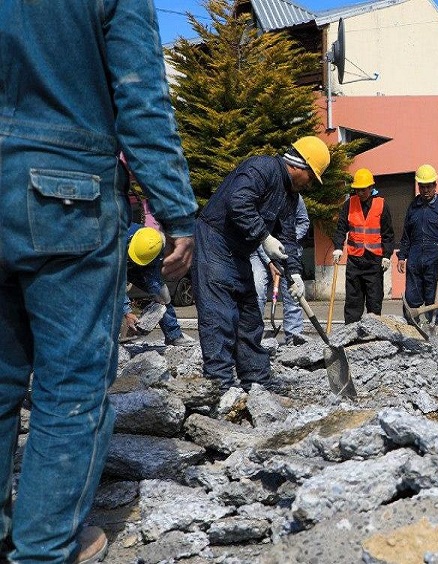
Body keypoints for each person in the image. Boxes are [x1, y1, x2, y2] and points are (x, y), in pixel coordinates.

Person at [0, 1, 197, 561]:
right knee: (71, 384)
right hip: (65, 194)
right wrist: (177, 212)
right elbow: (141, 97)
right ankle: (41, 549)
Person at [193, 136, 328, 391]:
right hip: (216, 242)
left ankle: (256, 380)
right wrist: (264, 236)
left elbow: (287, 237)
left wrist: (296, 274)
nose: (310, 184)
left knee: (249, 317)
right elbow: (238, 202)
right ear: (300, 166)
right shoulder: (262, 168)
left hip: (239, 251)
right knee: (219, 315)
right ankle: (218, 386)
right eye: (311, 177)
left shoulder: (289, 197)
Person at [332, 168, 395, 323]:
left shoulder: (381, 205)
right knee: (353, 301)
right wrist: (338, 247)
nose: (360, 193)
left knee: (374, 301)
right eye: (357, 190)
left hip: (374, 262)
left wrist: (387, 255)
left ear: (371, 187)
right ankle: (351, 334)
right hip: (355, 261)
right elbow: (341, 228)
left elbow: (388, 234)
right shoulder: (349, 204)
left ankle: (373, 335)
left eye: (363, 189)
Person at [397, 164, 438, 331]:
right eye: (422, 186)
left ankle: (435, 327)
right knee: (411, 296)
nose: (425, 190)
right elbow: (406, 234)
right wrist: (402, 256)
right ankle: (411, 328)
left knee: (434, 297)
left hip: (436, 258)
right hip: (415, 257)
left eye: (429, 186)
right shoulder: (413, 207)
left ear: (435, 186)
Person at [251, 195, 310, 345]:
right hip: (261, 251)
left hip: (286, 250)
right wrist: (269, 260)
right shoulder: (261, 196)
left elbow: (304, 222)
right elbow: (254, 229)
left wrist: (288, 240)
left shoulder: (295, 197)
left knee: (293, 293)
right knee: (256, 289)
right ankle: (252, 337)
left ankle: (294, 338)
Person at [123, 225, 195, 346]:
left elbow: (155, 283)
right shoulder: (117, 240)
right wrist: (127, 311)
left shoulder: (155, 245)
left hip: (145, 262)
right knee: (108, 298)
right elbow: (116, 288)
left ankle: (173, 335)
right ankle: (110, 339)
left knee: (161, 296)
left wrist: (159, 297)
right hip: (119, 259)